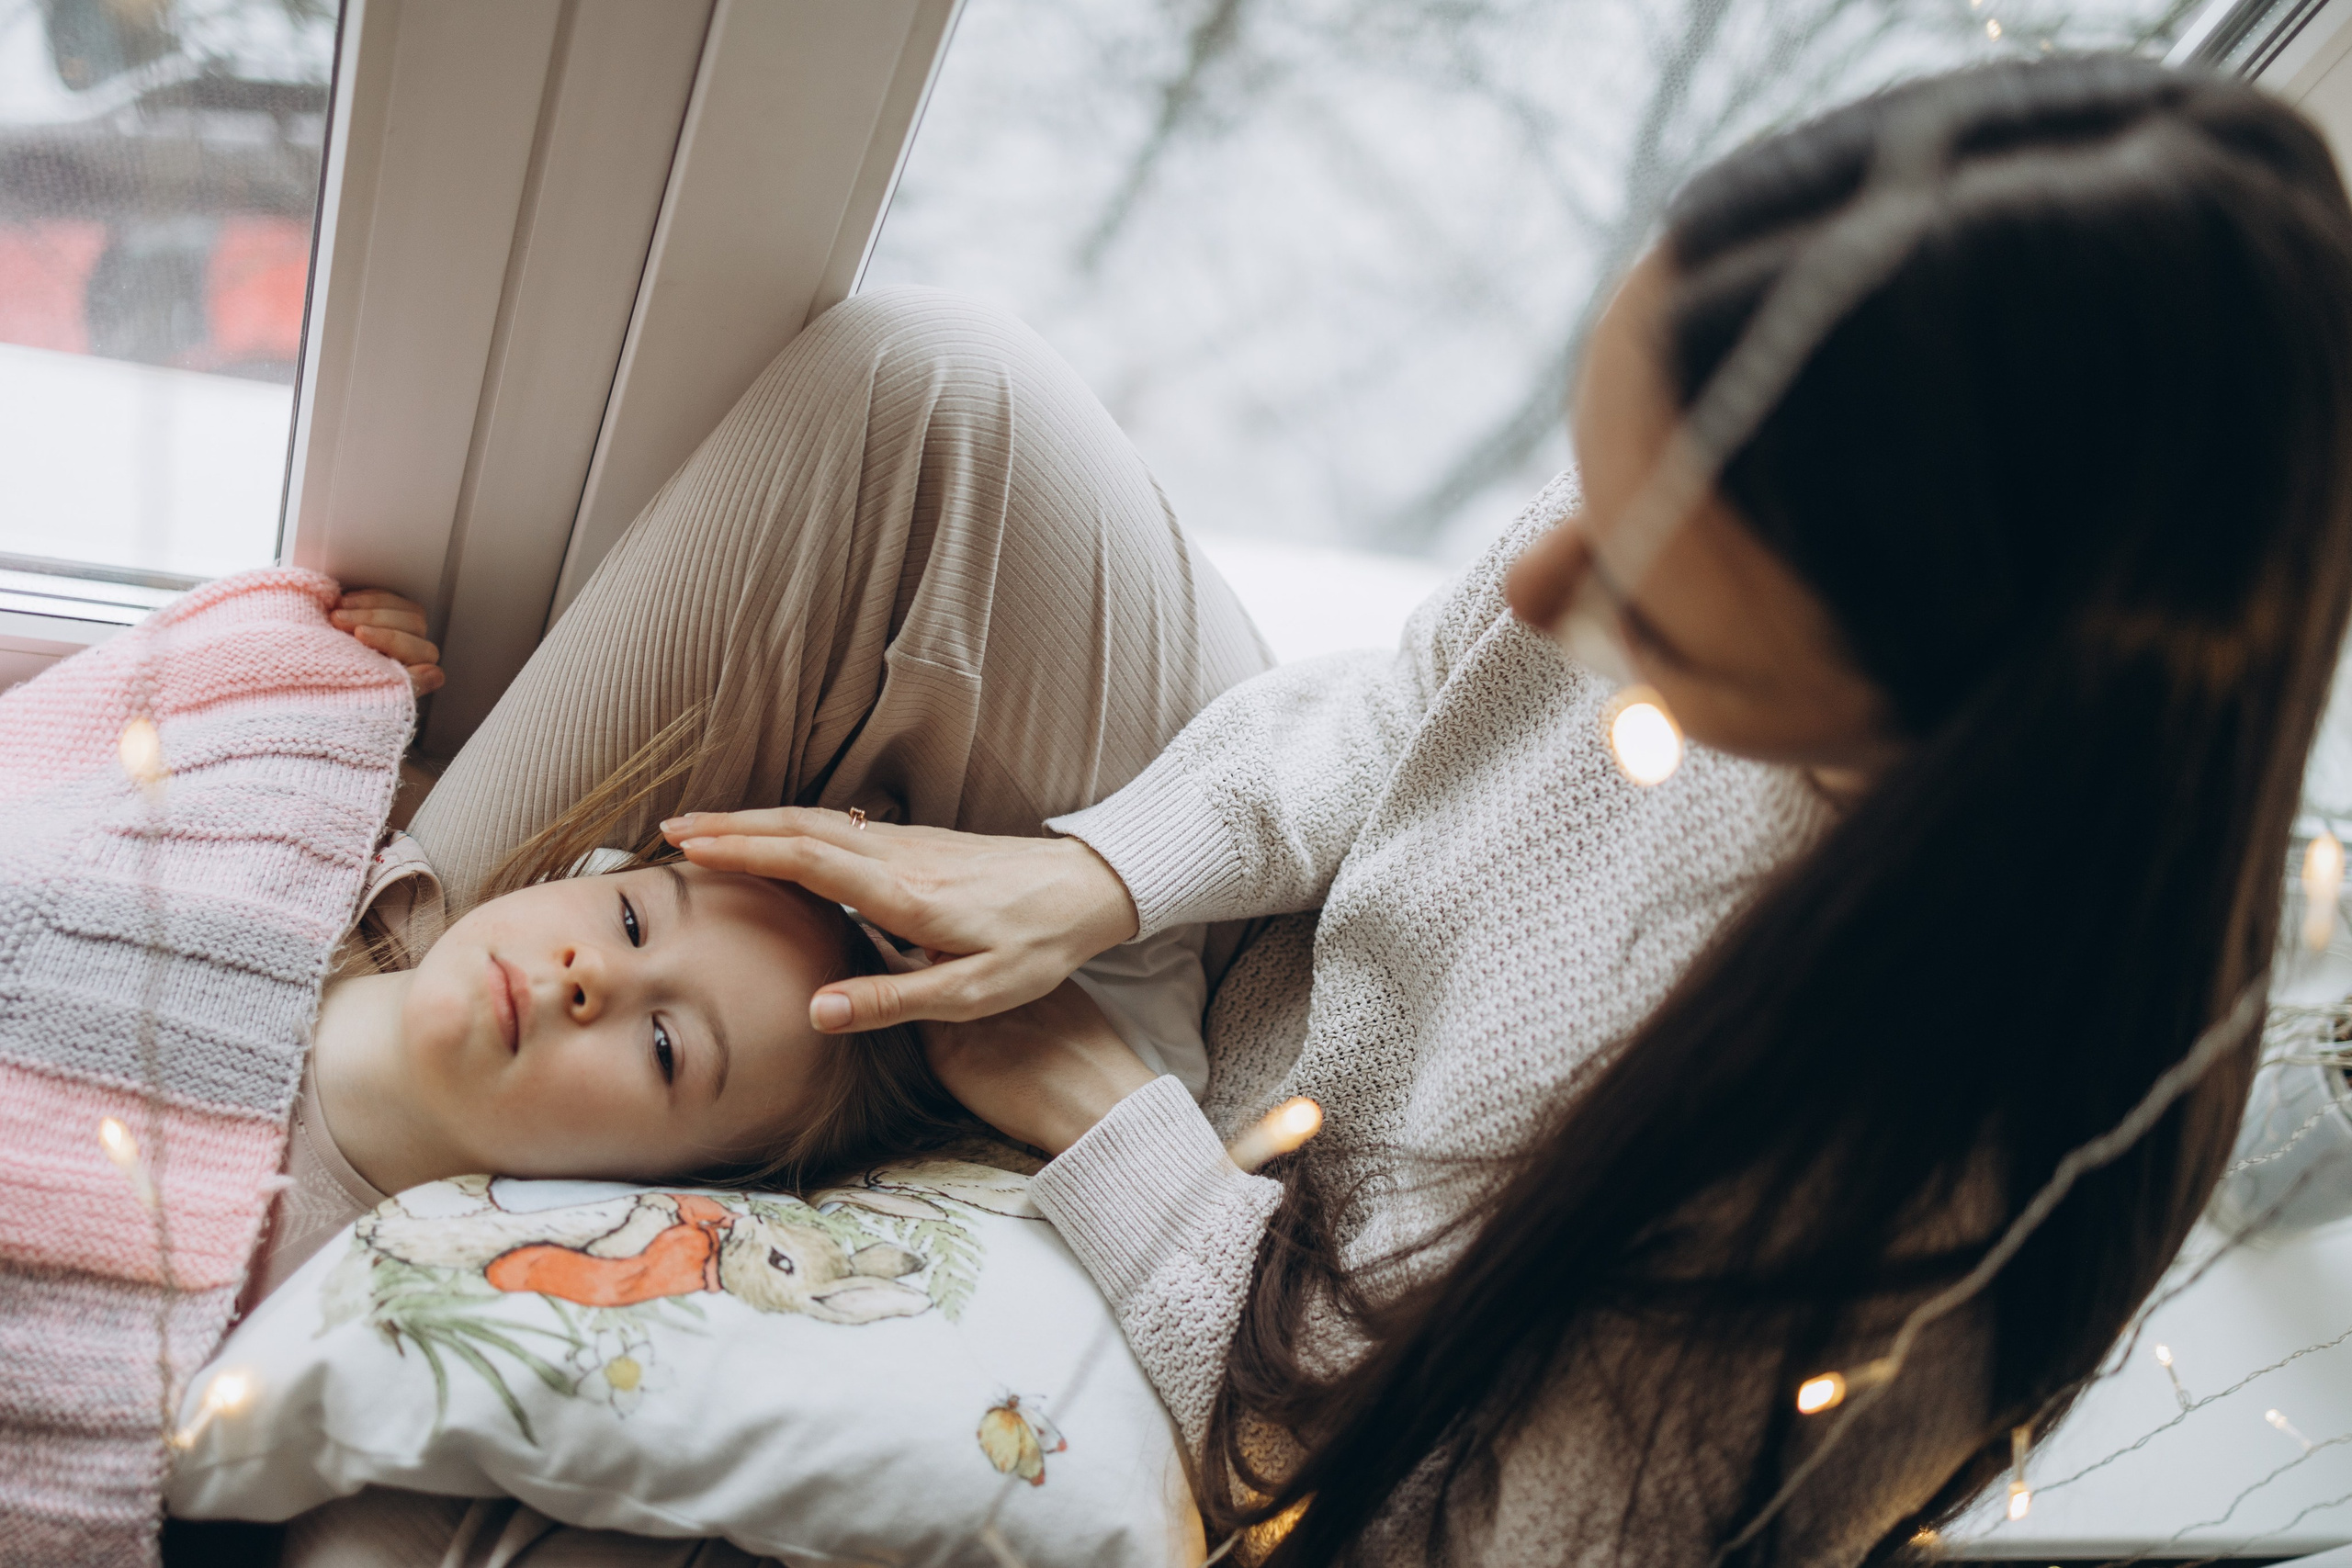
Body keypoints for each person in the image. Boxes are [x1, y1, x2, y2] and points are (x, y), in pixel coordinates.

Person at [267, 53, 2352, 1568]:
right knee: (937, 395)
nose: (1535, 591)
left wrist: (1107, 1130)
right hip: (1223, 975)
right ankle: (327, 985)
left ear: (1921, 711)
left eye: (1649, 598)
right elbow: (1400, 707)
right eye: (1591, 478)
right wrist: (1099, 872)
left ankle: (291, 1261)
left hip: (1235, 1325)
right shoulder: (1776, 477)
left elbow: (1409, 1525)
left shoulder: (1922, 1183)